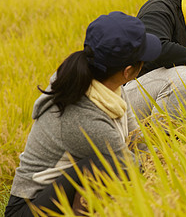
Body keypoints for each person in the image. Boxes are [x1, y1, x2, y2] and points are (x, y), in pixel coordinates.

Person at [5, 12, 162, 216]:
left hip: (60, 193)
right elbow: (130, 167)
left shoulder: (108, 84)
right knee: (107, 166)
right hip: (29, 208)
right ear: (128, 71)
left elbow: (136, 139)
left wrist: (160, 157)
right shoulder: (82, 116)